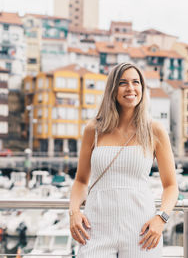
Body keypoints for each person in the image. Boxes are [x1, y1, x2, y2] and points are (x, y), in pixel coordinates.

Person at [69, 62, 179, 258]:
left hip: (142, 231)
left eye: (136, 82)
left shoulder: (155, 130)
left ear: (142, 88)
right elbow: (80, 181)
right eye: (123, 83)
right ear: (113, 89)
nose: (130, 88)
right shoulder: (93, 129)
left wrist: (161, 219)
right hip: (96, 229)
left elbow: (171, 185)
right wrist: (74, 213)